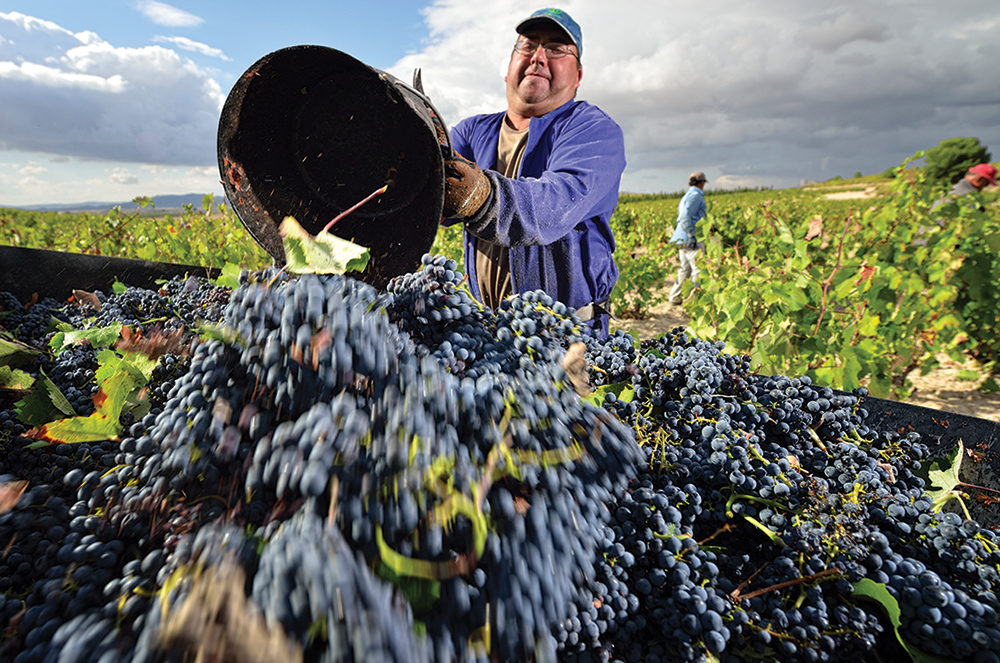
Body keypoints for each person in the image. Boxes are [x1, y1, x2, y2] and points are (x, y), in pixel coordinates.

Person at [439, 8, 627, 338]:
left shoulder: (594, 131)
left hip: (567, 337)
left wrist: (484, 199)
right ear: (508, 67)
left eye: (556, 48)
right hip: (487, 334)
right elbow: (434, 186)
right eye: (527, 45)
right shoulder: (472, 132)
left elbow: (554, 204)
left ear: (579, 75)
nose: (538, 57)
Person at [668, 171, 708, 305]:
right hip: (690, 236)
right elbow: (685, 216)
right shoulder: (696, 196)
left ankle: (675, 297)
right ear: (701, 183)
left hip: (680, 236)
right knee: (698, 269)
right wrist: (692, 234)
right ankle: (694, 301)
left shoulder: (687, 195)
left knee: (685, 269)